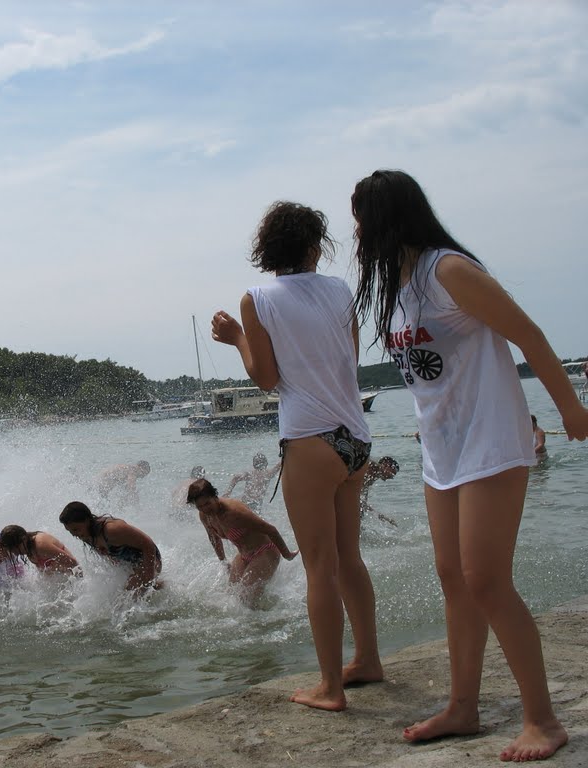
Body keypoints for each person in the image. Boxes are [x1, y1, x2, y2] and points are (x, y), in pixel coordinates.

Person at [351, 169, 588, 760]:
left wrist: (571, 409)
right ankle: (463, 707)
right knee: (454, 578)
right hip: (442, 450)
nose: (357, 231)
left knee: (485, 579)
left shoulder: (447, 269)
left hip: (492, 440)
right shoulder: (401, 285)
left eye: (361, 218)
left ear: (384, 218)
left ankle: (543, 720)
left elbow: (528, 335)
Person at [212, 200, 383, 712]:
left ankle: (330, 686)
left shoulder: (257, 298)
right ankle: (368, 659)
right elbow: (348, 359)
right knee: (349, 558)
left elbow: (265, 379)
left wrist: (237, 337)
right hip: (356, 438)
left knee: (319, 567)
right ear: (316, 246)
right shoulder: (338, 289)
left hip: (309, 440)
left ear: (267, 248)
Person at [186, 479, 297, 606]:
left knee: (245, 600)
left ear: (215, 496)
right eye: (199, 506)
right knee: (231, 596)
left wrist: (287, 555)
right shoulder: (204, 516)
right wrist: (223, 561)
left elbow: (271, 530)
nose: (205, 509)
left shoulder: (235, 512)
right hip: (244, 555)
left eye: (207, 503)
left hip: (265, 551)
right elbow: (214, 539)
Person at [59, 501, 162, 596]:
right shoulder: (86, 535)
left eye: (76, 529)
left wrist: (148, 573)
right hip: (131, 563)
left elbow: (147, 544)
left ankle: (163, 588)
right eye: (69, 531)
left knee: (129, 595)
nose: (73, 534)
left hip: (150, 558)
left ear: (87, 520)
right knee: (127, 595)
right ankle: (161, 586)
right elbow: (111, 555)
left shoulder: (112, 529)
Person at [0, 524, 80, 588]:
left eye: (14, 548)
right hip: (62, 583)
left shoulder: (40, 544)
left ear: (23, 539)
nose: (14, 553)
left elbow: (74, 563)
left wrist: (80, 585)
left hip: (74, 580)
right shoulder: (28, 550)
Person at [360, 457, 399, 527]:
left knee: (360, 513)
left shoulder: (373, 475)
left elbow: (363, 502)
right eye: (392, 473)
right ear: (385, 465)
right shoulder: (371, 467)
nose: (391, 477)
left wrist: (381, 516)